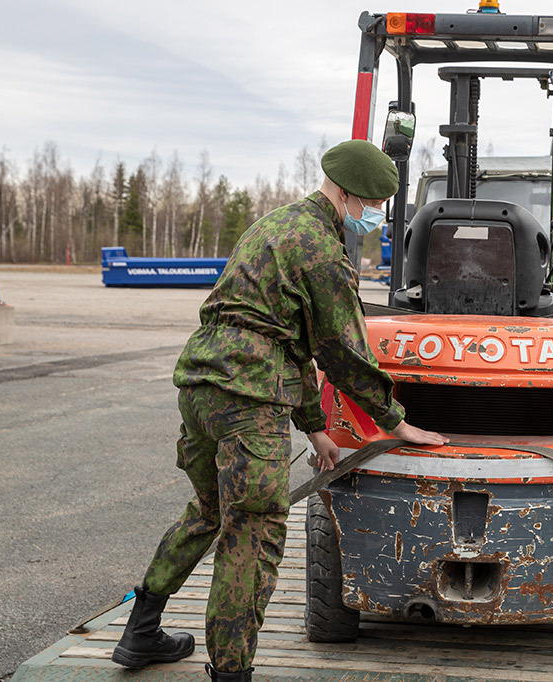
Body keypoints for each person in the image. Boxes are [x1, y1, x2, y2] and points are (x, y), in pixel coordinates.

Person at [110, 140, 448, 682]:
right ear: (345, 193)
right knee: (253, 533)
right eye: (368, 205)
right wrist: (395, 419)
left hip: (200, 381)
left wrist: (315, 431)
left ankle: (141, 629)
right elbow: (341, 351)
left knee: (208, 511)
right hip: (248, 399)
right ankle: (231, 673)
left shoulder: (273, 224)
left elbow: (289, 342)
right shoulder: (321, 248)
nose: (371, 216)